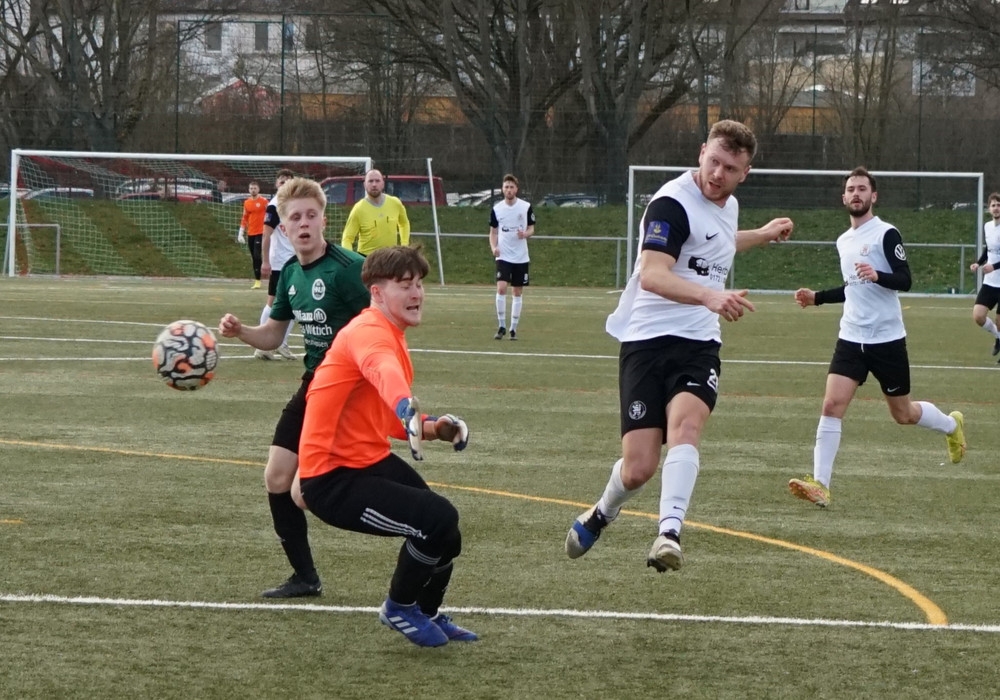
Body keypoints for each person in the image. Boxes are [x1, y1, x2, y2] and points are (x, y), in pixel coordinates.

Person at [564, 119, 793, 572]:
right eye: (714, 162)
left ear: (744, 173)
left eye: (730, 168)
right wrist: (710, 296)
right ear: (701, 152)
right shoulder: (671, 203)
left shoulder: (728, 205)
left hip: (699, 343)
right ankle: (603, 511)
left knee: (687, 428)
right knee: (638, 469)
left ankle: (668, 534)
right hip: (647, 342)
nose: (718, 174)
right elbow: (653, 274)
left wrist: (762, 234)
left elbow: (717, 242)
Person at [296, 245, 476, 648]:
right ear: (377, 292)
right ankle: (399, 607)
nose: (416, 293)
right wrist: (405, 405)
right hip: (332, 478)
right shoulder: (369, 332)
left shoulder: (391, 332)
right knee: (437, 518)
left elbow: (387, 419)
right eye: (404, 284)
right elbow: (383, 370)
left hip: (367, 462)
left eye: (419, 284)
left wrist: (434, 427)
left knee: (447, 533)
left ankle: (427, 611)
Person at [218, 177, 371, 598]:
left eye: (311, 215)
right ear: (283, 228)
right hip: (314, 383)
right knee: (276, 477)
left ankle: (404, 517)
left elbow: (381, 327)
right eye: (294, 218)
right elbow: (272, 335)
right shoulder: (288, 274)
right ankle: (305, 577)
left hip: (350, 389)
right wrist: (240, 330)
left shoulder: (349, 268)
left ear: (324, 220)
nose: (303, 223)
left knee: (306, 491)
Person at [787, 166, 966, 508]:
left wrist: (879, 275)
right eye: (850, 189)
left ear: (873, 196)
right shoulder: (843, 241)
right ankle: (821, 485)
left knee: (903, 414)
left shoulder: (887, 233)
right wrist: (817, 297)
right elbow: (852, 287)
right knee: (831, 405)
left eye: (862, 188)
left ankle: (950, 426)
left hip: (887, 339)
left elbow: (905, 279)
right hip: (851, 337)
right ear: (843, 197)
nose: (856, 194)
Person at [488, 174, 535, 340]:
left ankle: (513, 328)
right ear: (502, 189)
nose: (509, 190)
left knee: (517, 291)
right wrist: (494, 247)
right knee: (501, 287)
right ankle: (501, 326)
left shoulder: (525, 207)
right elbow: (493, 232)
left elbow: (531, 228)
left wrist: (525, 234)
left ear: (516, 189)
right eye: (506, 187)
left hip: (520, 257)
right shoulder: (497, 209)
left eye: (511, 187)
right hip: (503, 255)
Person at [258, 168, 298, 360]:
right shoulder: (274, 206)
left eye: (288, 181)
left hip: (296, 261)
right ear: (276, 184)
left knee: (296, 304)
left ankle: (280, 343)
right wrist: (265, 261)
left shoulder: (294, 205)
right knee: (274, 302)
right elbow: (266, 235)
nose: (285, 184)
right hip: (279, 263)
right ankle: (262, 345)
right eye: (282, 181)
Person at [340, 169, 411, 255]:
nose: (374, 184)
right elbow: (347, 238)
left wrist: (404, 246)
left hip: (390, 258)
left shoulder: (395, 203)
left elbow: (404, 223)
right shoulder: (358, 209)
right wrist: (351, 258)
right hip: (367, 259)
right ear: (364, 185)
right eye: (370, 181)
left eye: (377, 181)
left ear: (383, 184)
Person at [969, 192, 1000, 360]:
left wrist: (993, 266)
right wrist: (979, 263)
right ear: (989, 208)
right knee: (978, 316)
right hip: (990, 282)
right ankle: (998, 338)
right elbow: (988, 249)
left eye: (999, 205)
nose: (996, 208)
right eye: (993, 205)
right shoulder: (987, 226)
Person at [237, 180, 267, 290]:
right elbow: (244, 217)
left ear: (258, 189)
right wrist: (241, 232)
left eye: (255, 188)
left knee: (257, 255)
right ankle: (257, 280)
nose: (253, 190)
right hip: (251, 233)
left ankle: (264, 273)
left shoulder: (264, 201)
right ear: (249, 190)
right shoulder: (247, 203)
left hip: (261, 232)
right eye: (251, 188)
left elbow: (270, 214)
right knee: (254, 257)